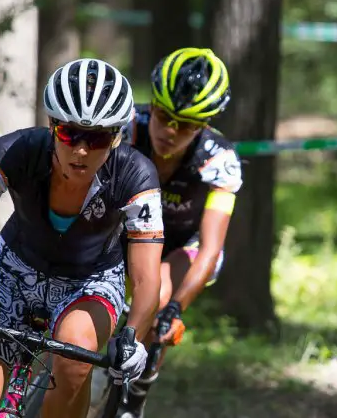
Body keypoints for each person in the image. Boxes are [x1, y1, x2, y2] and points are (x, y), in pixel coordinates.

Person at [0, 58, 164, 418]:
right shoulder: (14, 150)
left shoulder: (136, 175)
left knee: (75, 349)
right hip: (13, 271)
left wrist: (132, 337)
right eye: (69, 134)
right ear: (52, 126)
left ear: (116, 136)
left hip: (91, 281)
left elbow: (147, 278)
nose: (81, 150)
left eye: (97, 138)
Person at [115, 47, 243, 417]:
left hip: (183, 246)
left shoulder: (218, 159)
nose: (169, 132)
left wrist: (174, 309)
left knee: (158, 296)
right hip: (125, 235)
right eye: (163, 116)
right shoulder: (125, 130)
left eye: (185, 125)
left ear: (203, 125)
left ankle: (134, 399)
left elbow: (210, 248)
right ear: (151, 106)